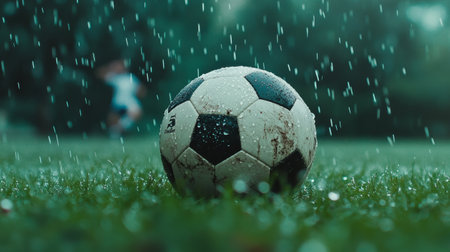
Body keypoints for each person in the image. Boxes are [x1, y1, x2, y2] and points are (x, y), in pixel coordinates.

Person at [96, 60, 146, 137]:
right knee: (112, 120)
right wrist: (110, 68)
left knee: (136, 113)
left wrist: (139, 92)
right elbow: (99, 73)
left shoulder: (131, 78)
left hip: (129, 102)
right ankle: (116, 132)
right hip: (118, 103)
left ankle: (120, 127)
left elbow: (141, 91)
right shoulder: (115, 78)